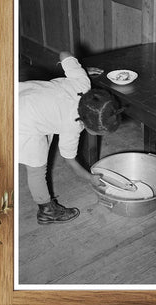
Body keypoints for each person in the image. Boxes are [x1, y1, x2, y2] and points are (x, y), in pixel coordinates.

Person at [18, 51, 122, 225]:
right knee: (36, 168)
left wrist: (80, 69)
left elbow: (64, 54)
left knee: (47, 127)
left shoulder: (82, 82)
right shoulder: (71, 128)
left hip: (21, 94)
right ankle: (47, 211)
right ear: (85, 125)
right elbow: (71, 162)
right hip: (21, 122)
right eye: (98, 132)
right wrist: (91, 178)